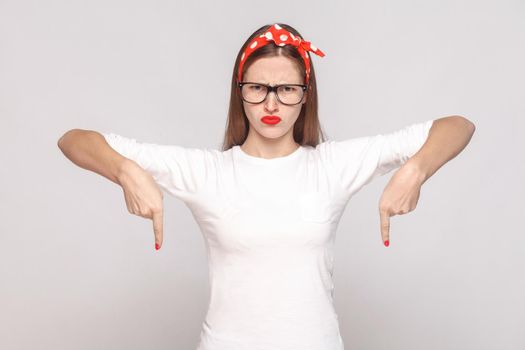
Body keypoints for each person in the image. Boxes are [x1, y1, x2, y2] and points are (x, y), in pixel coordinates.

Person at [58, 22, 475, 350]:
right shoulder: (207, 171)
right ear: (239, 93)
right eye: (258, 88)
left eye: (287, 89)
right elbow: (74, 139)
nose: (271, 104)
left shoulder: (332, 165)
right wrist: (126, 172)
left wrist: (416, 170)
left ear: (305, 95)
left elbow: (458, 126)